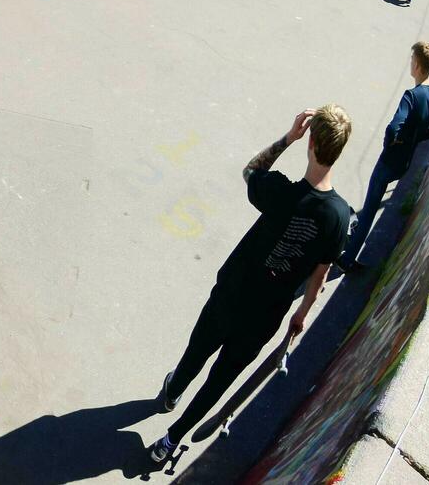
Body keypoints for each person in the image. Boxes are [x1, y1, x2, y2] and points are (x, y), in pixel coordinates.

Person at [148, 106, 353, 467]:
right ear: (339, 150)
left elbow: (250, 170)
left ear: (312, 143)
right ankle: (171, 440)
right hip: (264, 318)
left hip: (231, 294)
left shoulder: (280, 191)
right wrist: (301, 314)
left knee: (197, 352)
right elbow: (320, 274)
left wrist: (289, 137)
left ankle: (173, 392)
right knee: (219, 381)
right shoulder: (338, 216)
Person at [337, 43, 429, 274]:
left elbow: (393, 127)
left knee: (370, 208)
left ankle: (346, 259)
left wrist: (393, 143)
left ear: (416, 65)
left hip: (389, 161)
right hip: (403, 164)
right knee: (370, 206)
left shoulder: (412, 96)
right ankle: (354, 232)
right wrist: (416, 138)